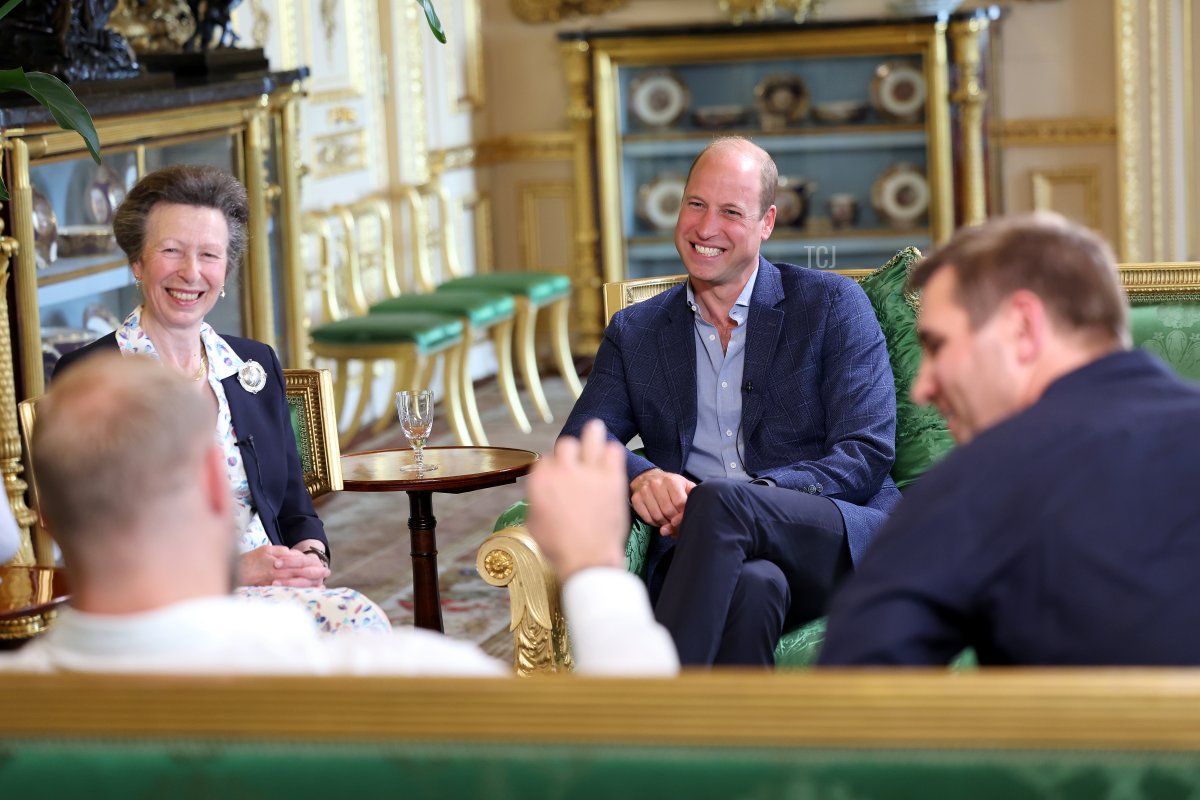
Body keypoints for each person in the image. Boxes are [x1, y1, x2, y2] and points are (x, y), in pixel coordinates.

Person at [1, 354, 679, 676]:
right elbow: (630, 762)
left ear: (49, 520)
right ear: (218, 482)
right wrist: (593, 567)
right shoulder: (393, 678)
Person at [562, 137, 900, 666]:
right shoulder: (638, 331)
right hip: (705, 555)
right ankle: (730, 746)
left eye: (730, 212)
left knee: (719, 501)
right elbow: (583, 442)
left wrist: (748, 499)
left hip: (832, 536)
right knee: (755, 587)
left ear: (766, 222)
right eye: (695, 204)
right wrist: (641, 476)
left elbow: (866, 452)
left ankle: (649, 711)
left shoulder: (831, 305)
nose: (705, 228)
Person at [819, 213, 1200, 666]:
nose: (922, 388)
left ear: (1023, 327)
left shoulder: (979, 480)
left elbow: (851, 695)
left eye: (937, 346)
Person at [53, 164, 388, 634]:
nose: (191, 273)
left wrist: (308, 558)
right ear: (137, 262)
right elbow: (92, 536)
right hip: (158, 605)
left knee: (355, 623)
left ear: (225, 271)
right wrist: (236, 570)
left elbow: (294, 505)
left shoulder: (253, 365)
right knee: (356, 625)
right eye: (171, 251)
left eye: (209, 255)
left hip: (274, 590)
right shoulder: (95, 375)